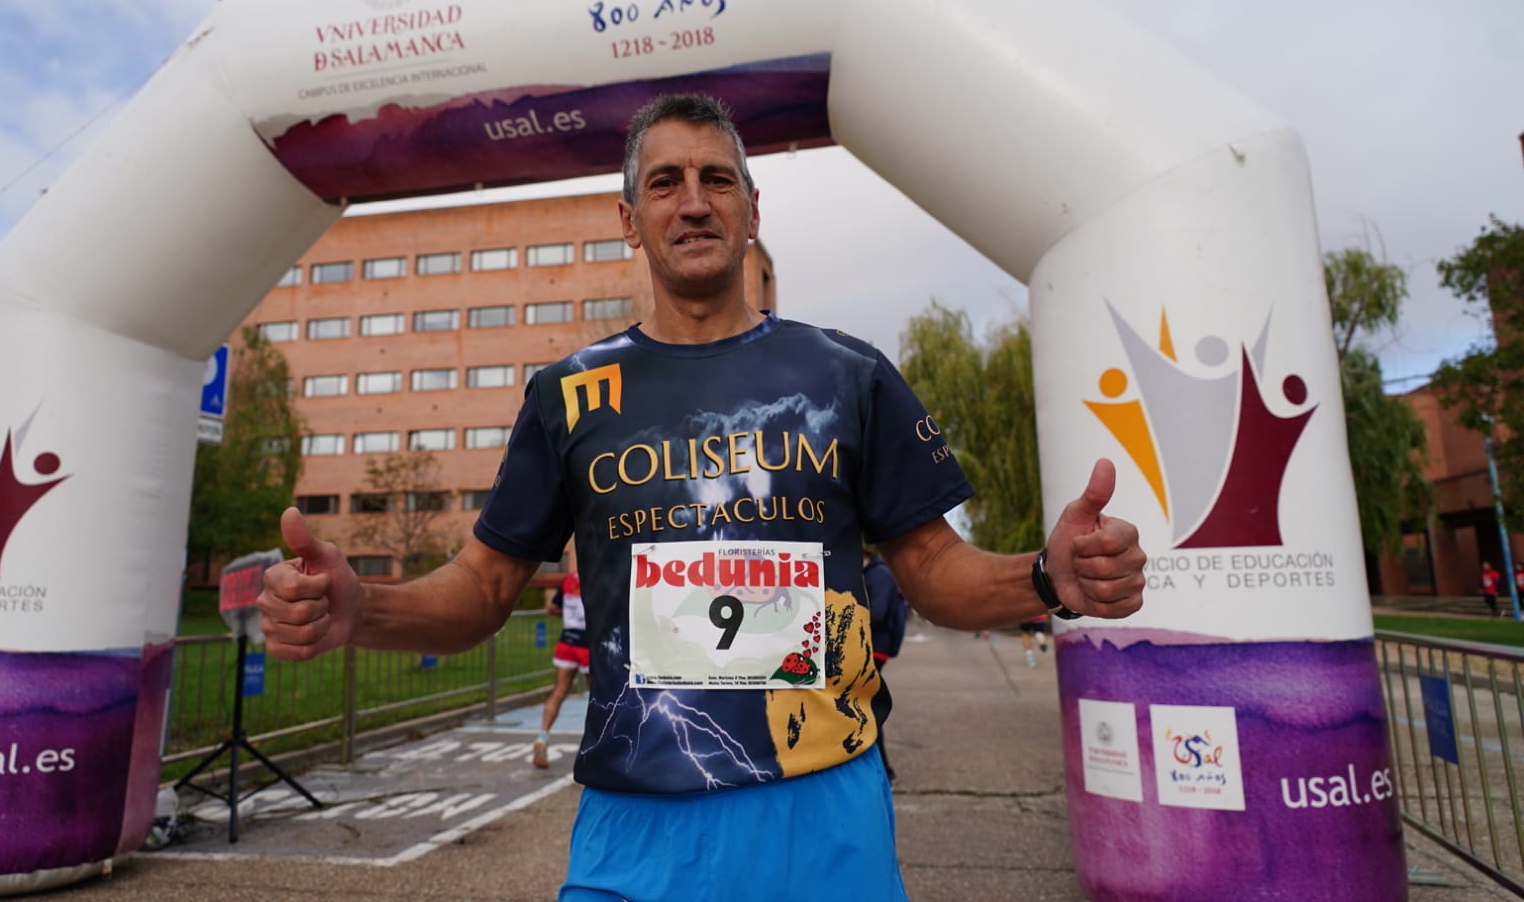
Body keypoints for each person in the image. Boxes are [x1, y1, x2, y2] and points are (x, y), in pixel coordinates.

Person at [259, 93, 1147, 901]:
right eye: (666, 183)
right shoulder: (569, 394)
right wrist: (360, 607)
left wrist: (1045, 574)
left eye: (717, 179)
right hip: (637, 816)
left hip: (823, 806)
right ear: (630, 219)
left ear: (752, 210)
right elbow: (486, 586)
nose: (693, 201)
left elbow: (933, 568)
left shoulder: (848, 375)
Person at [862, 547, 909, 783]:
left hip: (875, 647)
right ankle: (882, 769)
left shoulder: (879, 574)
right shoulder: (867, 572)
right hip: (865, 646)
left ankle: (885, 771)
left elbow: (877, 613)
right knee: (865, 706)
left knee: (866, 706)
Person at [534, 563, 587, 769]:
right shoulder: (597, 575)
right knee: (599, 697)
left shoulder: (568, 580)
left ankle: (542, 736)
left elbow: (552, 608)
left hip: (567, 641)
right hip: (588, 644)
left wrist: (567, 616)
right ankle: (597, 746)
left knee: (559, 692)